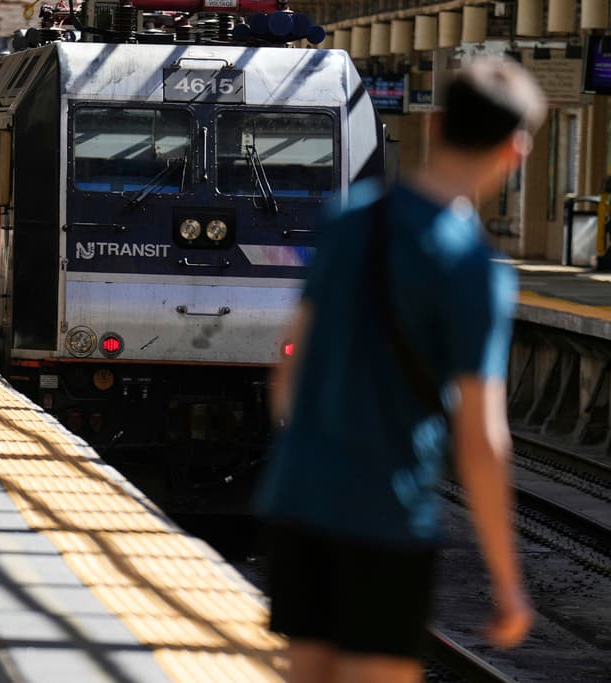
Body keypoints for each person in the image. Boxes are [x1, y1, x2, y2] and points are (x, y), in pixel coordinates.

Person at [252, 57, 547, 683]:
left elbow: (288, 374)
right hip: (385, 516)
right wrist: (507, 580)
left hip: (299, 504)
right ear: (515, 151)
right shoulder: (473, 269)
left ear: (434, 126)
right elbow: (481, 439)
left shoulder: (346, 218)